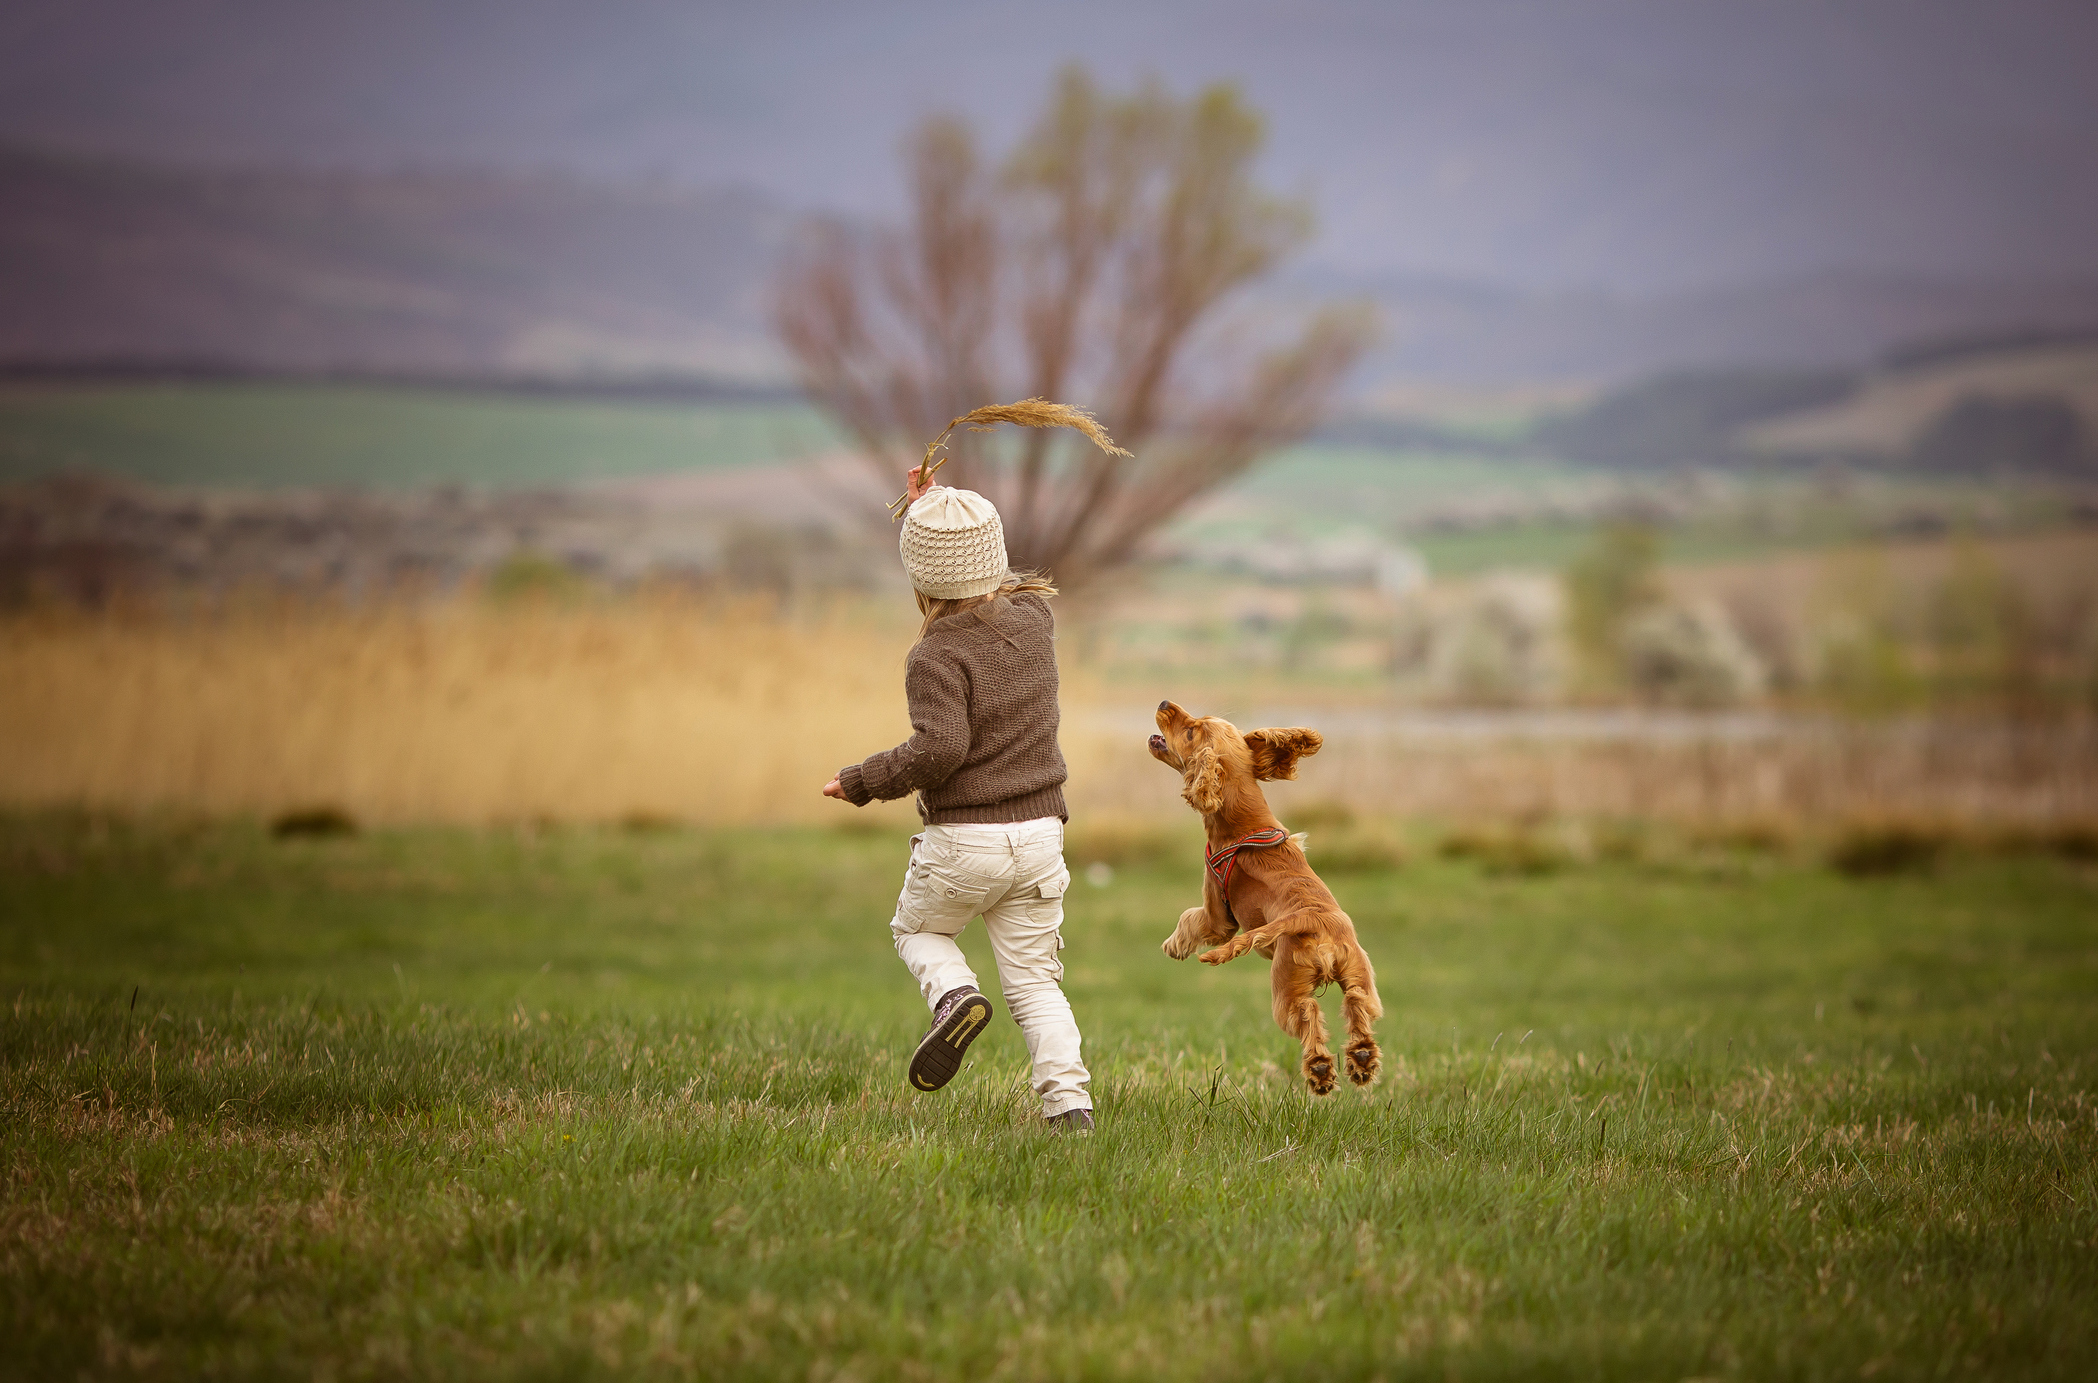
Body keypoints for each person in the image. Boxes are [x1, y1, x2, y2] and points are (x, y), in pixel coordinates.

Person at [822, 466, 1094, 1132]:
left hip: (964, 840)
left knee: (919, 929)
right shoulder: (1035, 619)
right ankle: (1070, 1106)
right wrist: (939, 509)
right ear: (992, 556)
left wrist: (862, 780)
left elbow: (939, 750)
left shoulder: (934, 656)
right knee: (1035, 983)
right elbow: (1002, 575)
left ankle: (955, 997)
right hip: (1039, 836)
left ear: (919, 576)